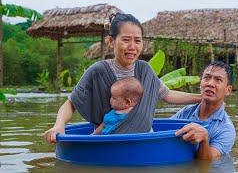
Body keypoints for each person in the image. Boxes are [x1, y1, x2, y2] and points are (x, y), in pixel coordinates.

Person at [45, 13, 202, 143]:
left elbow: (167, 95)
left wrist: (201, 98)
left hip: (144, 143)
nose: (133, 46)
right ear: (111, 42)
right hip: (107, 145)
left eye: (138, 41)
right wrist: (59, 125)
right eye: (126, 40)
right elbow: (71, 103)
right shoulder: (97, 71)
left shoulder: (145, 70)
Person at [171, 61, 236, 161]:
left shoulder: (226, 129)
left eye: (218, 80)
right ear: (201, 83)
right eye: (207, 77)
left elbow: (207, 162)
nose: (210, 84)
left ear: (228, 90)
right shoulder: (186, 112)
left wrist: (204, 140)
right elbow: (165, 130)